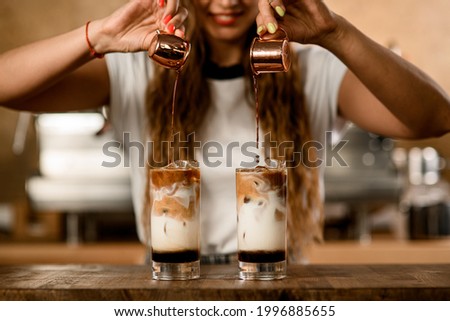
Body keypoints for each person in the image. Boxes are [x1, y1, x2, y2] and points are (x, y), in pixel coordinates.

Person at [1, 0, 449, 263]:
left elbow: (435, 117)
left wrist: (335, 33)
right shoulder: (139, 68)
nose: (228, 1)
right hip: (170, 285)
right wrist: (97, 37)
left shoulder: (313, 68)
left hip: (279, 288)